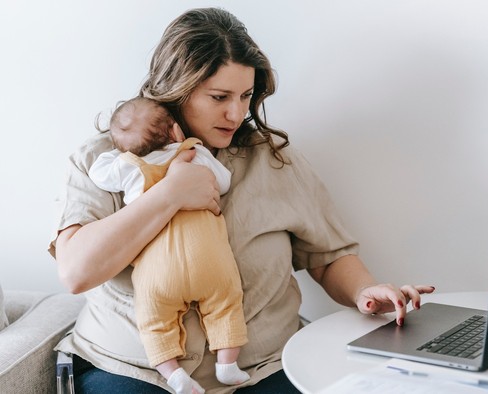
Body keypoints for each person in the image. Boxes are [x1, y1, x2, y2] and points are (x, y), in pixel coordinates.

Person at [50, 7, 435, 394]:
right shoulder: (105, 160)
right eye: (219, 97)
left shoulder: (273, 159)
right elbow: (77, 272)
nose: (236, 113)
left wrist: (364, 291)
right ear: (176, 88)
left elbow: (328, 255)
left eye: (246, 96)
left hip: (264, 367)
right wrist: (168, 195)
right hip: (132, 369)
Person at [88, 96, 250, 393]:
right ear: (176, 131)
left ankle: (173, 374)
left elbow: (98, 173)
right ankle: (227, 364)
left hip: (158, 269)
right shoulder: (193, 152)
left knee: (153, 320)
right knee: (227, 303)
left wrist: (120, 152)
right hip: (209, 259)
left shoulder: (130, 167)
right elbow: (223, 182)